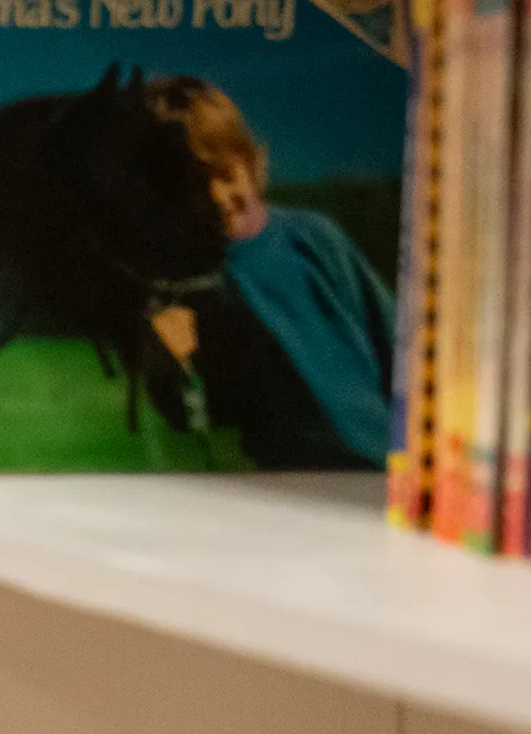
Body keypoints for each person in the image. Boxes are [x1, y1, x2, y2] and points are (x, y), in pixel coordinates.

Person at [143, 74, 395, 468]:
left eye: (225, 174)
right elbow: (194, 414)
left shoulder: (312, 237)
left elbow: (397, 345)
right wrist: (169, 362)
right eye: (192, 185)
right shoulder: (182, 285)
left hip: (380, 463)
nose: (216, 196)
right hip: (283, 479)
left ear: (251, 162)